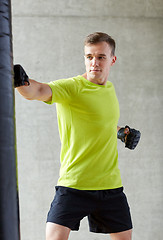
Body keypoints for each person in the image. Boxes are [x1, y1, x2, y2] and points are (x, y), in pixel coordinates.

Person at [14, 32, 141, 240]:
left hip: (110, 185)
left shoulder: (109, 89)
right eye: (89, 57)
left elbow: (101, 121)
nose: (94, 63)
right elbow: (38, 90)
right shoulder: (72, 87)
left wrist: (120, 133)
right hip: (74, 185)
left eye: (100, 57)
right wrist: (21, 83)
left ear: (112, 60)